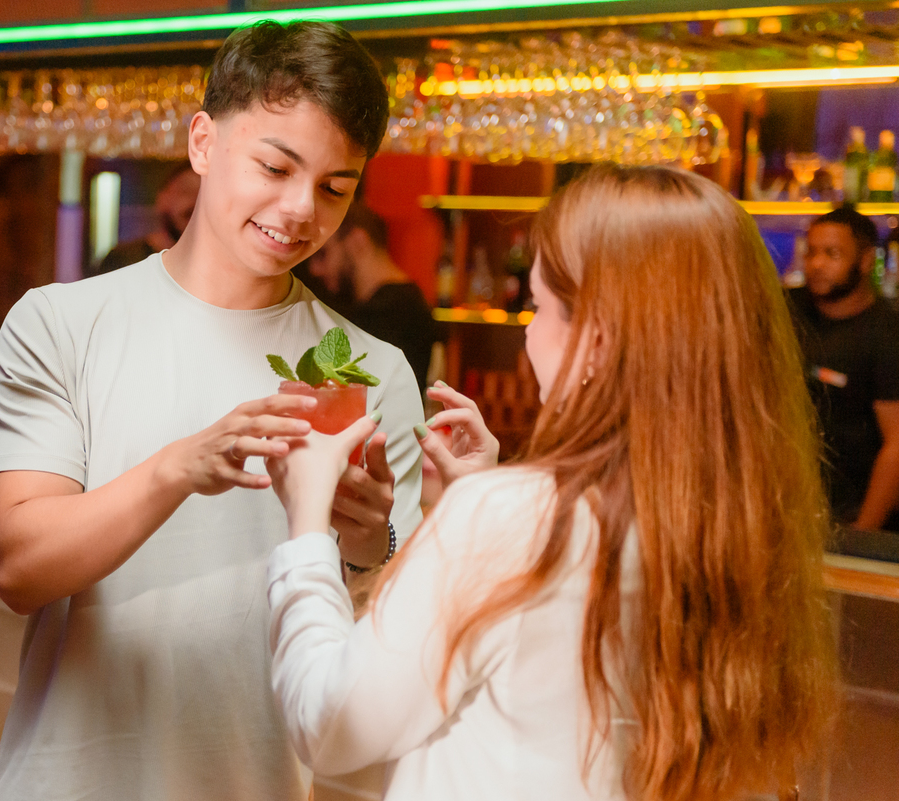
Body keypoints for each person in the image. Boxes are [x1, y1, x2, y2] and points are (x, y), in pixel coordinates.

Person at [264, 164, 837, 801]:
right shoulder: (745, 520)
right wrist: (475, 501)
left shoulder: (509, 520)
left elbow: (330, 723)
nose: (529, 332)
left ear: (598, 340)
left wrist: (308, 521)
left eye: (541, 307)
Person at [0, 21, 424, 801]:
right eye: (275, 166)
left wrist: (365, 540)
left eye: (334, 188)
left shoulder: (371, 373)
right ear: (204, 142)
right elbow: (18, 565)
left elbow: (391, 648)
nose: (299, 210)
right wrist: (177, 468)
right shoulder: (61, 323)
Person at [787, 205, 899, 531]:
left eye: (832, 254)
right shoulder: (786, 309)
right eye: (812, 253)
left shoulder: (886, 335)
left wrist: (863, 532)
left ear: (865, 262)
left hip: (848, 515)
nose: (817, 264)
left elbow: (896, 446)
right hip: (786, 505)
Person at [309, 203, 437, 393]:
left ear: (357, 242)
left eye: (323, 254)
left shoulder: (390, 310)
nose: (315, 269)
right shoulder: (404, 301)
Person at [83, 163, 201, 277]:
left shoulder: (209, 266)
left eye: (202, 194)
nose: (194, 201)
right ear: (162, 199)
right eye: (186, 191)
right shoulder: (123, 260)